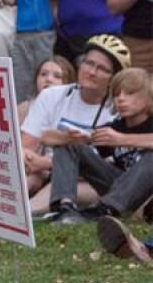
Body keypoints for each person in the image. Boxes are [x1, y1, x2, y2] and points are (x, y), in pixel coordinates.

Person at [23, 36, 125, 214]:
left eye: (102, 69)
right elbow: (26, 146)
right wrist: (35, 163)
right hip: (45, 170)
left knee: (60, 183)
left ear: (114, 78)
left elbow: (100, 169)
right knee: (28, 176)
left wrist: (46, 163)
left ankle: (25, 212)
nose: (91, 72)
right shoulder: (51, 96)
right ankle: (0, 205)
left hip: (89, 181)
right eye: (88, 63)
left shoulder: (118, 110)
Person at [48, 66, 153, 225]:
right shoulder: (113, 127)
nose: (121, 99)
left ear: (149, 97)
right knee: (70, 144)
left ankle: (106, 209)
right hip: (118, 188)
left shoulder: (120, 133)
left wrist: (122, 139)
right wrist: (71, 137)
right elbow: (45, 137)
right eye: (116, 94)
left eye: (129, 93)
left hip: (147, 196)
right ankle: (64, 208)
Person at [18, 56, 76, 196]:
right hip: (30, 163)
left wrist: (42, 162)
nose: (48, 79)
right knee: (27, 179)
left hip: (57, 166)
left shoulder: (72, 111)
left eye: (57, 76)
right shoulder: (25, 107)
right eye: (43, 74)